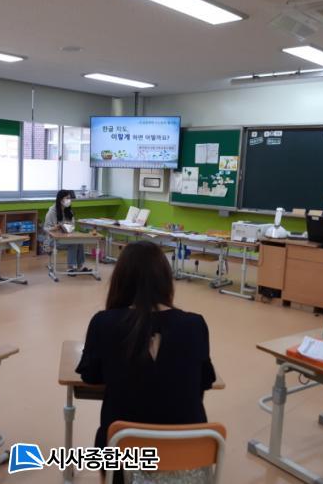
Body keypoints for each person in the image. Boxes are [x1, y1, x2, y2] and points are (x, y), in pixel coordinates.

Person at [76, 241, 216, 483]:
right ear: (165, 280)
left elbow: (91, 376)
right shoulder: (195, 324)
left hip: (123, 462)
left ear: (121, 280)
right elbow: (205, 381)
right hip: (187, 459)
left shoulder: (104, 323)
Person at [44, 189, 90, 274]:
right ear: (61, 199)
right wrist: (55, 228)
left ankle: (80, 266)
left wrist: (68, 227)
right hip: (54, 240)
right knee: (73, 243)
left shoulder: (69, 211)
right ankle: (70, 267)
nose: (69, 200)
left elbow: (72, 226)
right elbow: (46, 229)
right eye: (67, 198)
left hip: (67, 237)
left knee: (79, 242)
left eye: (70, 198)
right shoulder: (51, 212)